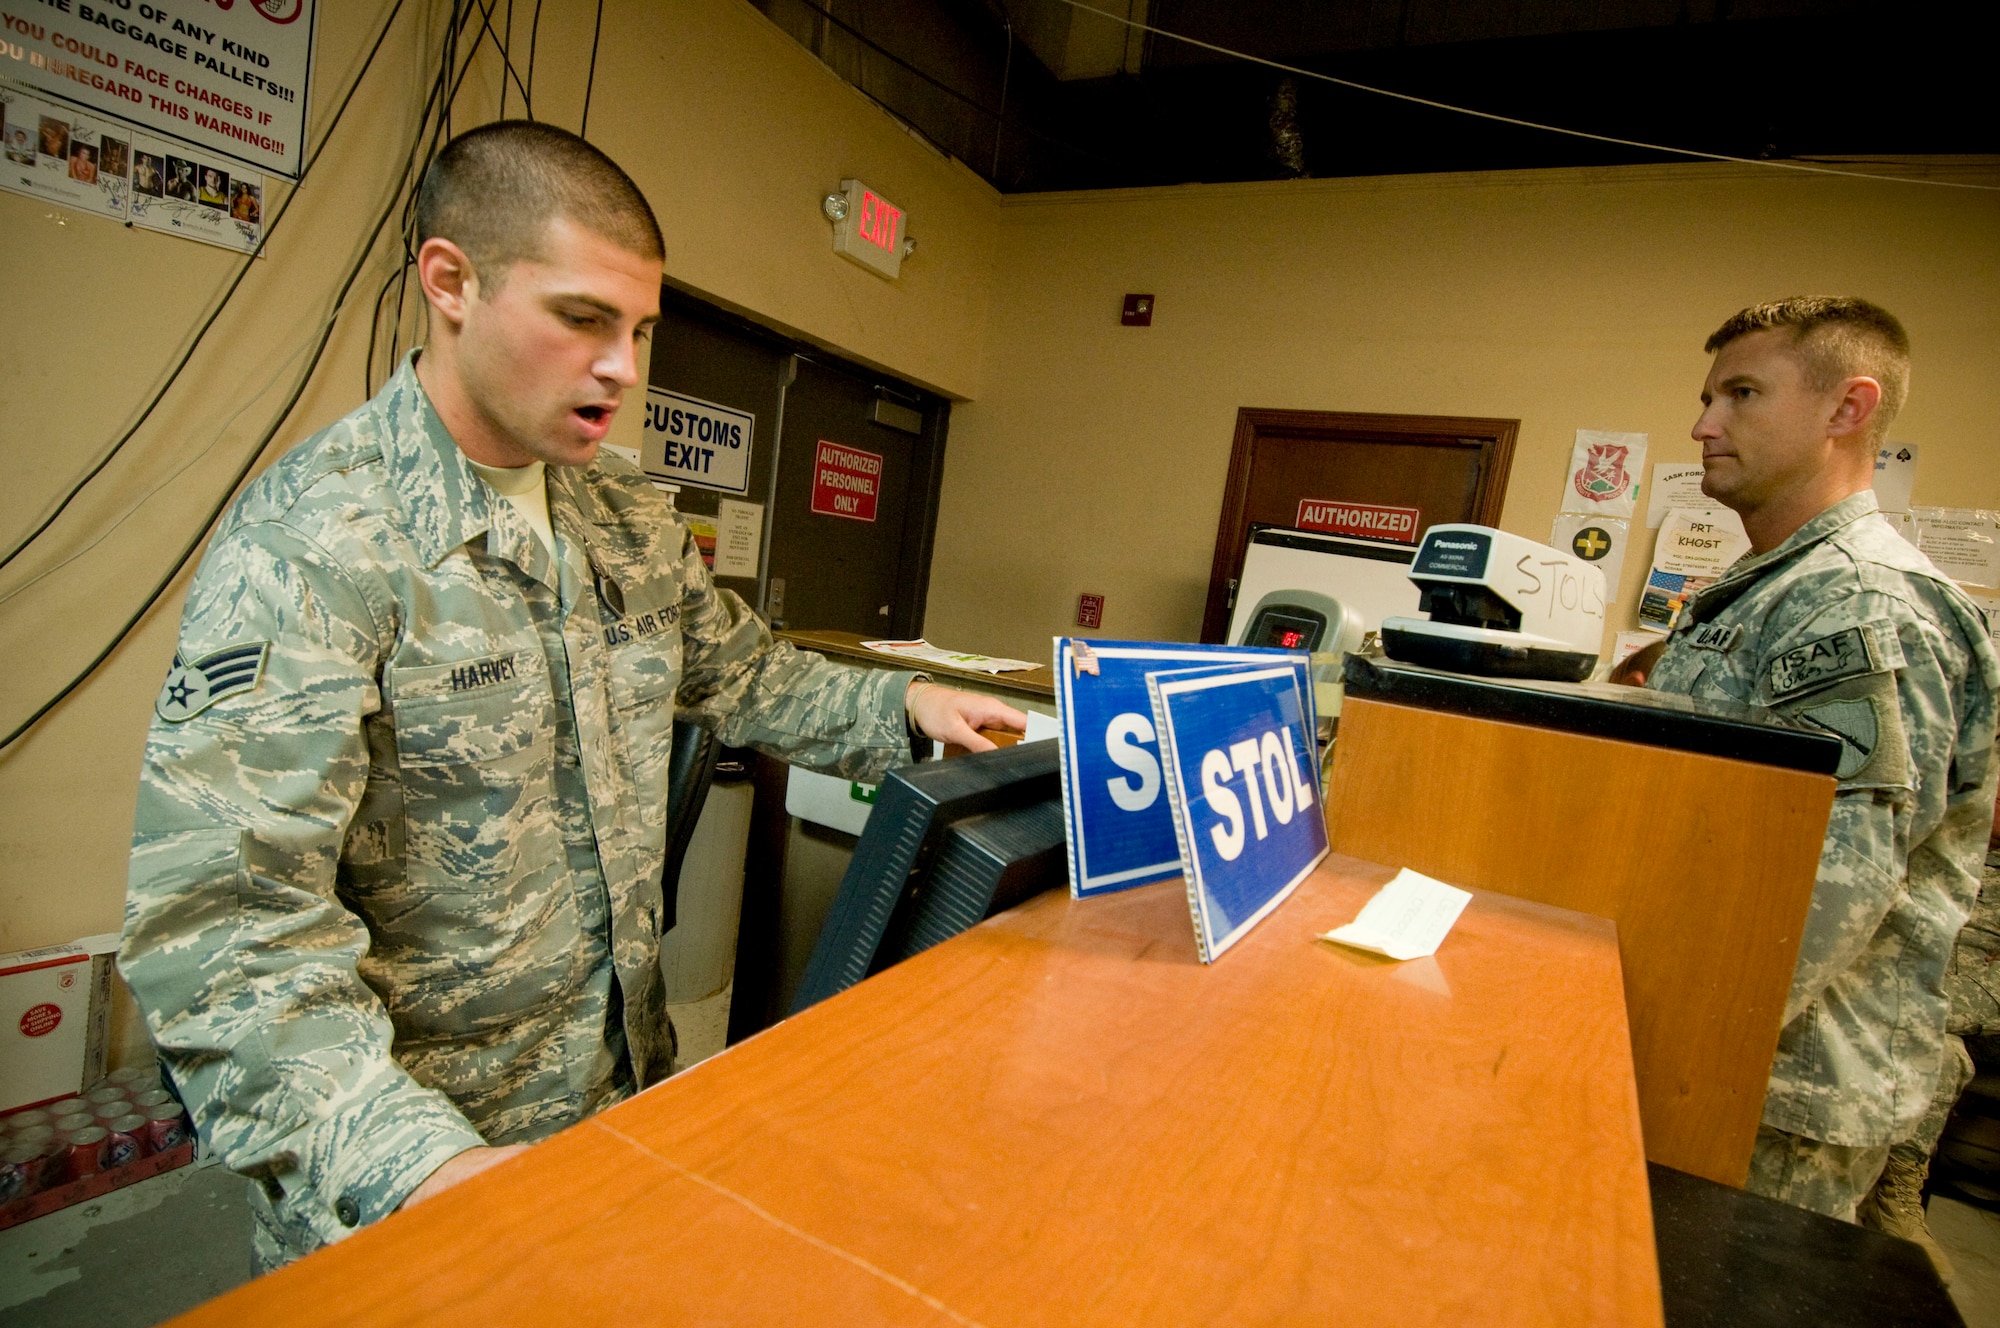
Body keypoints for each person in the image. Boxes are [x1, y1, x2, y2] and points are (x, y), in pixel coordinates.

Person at [120, 120, 1025, 1269]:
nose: (625, 368)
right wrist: (417, 1164)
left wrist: (903, 710)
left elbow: (742, 672)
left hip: (611, 1105)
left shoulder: (625, 517)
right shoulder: (316, 545)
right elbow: (228, 931)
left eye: (640, 327)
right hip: (407, 1174)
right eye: (583, 319)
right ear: (451, 282)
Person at [1621, 297, 1999, 1221]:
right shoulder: (1774, 588)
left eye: (1743, 394)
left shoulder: (1859, 602)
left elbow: (1834, 885)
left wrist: (1654, 1053)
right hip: (1725, 1062)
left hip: (1774, 1087)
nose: (1704, 425)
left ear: (1848, 409)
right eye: (1709, 396)